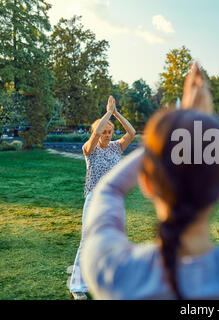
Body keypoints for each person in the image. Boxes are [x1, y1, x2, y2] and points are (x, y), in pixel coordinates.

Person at [80, 63, 219, 299]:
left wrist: (168, 135)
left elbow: (108, 190)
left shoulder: (113, 273)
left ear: (147, 184)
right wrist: (206, 131)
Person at [69, 95, 136, 300]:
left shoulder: (117, 147)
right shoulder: (89, 150)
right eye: (103, 132)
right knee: (87, 240)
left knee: (115, 240)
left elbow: (132, 132)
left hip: (113, 199)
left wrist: (116, 113)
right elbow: (97, 131)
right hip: (93, 198)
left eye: (109, 132)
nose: (106, 135)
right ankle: (77, 287)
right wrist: (107, 112)